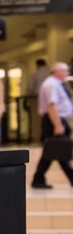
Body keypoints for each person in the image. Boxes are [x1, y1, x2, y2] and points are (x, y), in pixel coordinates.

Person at [31, 61, 73, 189]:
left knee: (54, 150)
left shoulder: (58, 84)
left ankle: (38, 179)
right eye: (65, 70)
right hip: (53, 120)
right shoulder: (51, 84)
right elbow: (52, 105)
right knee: (58, 149)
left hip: (57, 119)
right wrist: (58, 124)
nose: (67, 73)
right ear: (57, 72)